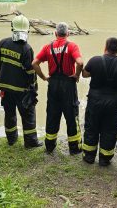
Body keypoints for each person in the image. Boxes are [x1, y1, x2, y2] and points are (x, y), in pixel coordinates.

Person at [82, 38, 117, 166]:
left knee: (91, 127)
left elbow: (84, 74)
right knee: (110, 130)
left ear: (105, 46)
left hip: (95, 102)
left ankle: (89, 156)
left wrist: (81, 67)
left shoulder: (95, 60)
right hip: (114, 104)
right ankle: (105, 159)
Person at [32, 22, 83, 155]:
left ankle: (49, 146)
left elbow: (34, 63)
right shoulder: (72, 46)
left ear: (55, 33)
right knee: (71, 115)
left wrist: (44, 77)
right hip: (68, 84)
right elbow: (80, 62)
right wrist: (77, 75)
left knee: (52, 114)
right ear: (68, 33)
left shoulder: (47, 47)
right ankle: (74, 148)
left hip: (53, 84)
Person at [0, 15, 42, 148]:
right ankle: (31, 142)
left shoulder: (2, 43)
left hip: (5, 87)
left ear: (12, 28)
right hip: (22, 90)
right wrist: (33, 88)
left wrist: (5, 78)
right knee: (28, 116)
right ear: (27, 30)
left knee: (9, 114)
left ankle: (11, 139)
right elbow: (30, 72)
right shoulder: (26, 48)